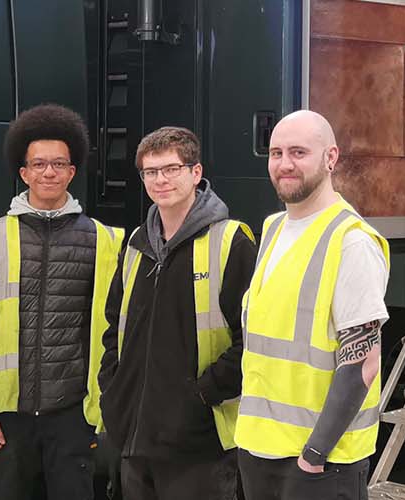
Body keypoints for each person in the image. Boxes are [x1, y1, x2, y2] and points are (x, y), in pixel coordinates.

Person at [0, 103, 125, 500]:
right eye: (38, 164)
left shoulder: (103, 240)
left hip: (73, 414)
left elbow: (114, 331)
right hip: (8, 417)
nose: (48, 172)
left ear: (72, 171)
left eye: (58, 164)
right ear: (24, 173)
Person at [235, 110, 391, 500]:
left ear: (331, 158)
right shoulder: (271, 229)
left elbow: (363, 363)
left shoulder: (351, 241)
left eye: (299, 152)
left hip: (319, 463)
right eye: (275, 153)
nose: (284, 164)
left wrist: (315, 455)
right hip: (259, 450)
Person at [98, 126, 256, 500]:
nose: (161, 180)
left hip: (199, 446)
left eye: (171, 169)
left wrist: (202, 395)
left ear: (195, 173)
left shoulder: (230, 241)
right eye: (151, 172)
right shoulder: (136, 246)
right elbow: (113, 328)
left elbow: (253, 337)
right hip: (136, 441)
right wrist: (114, 391)